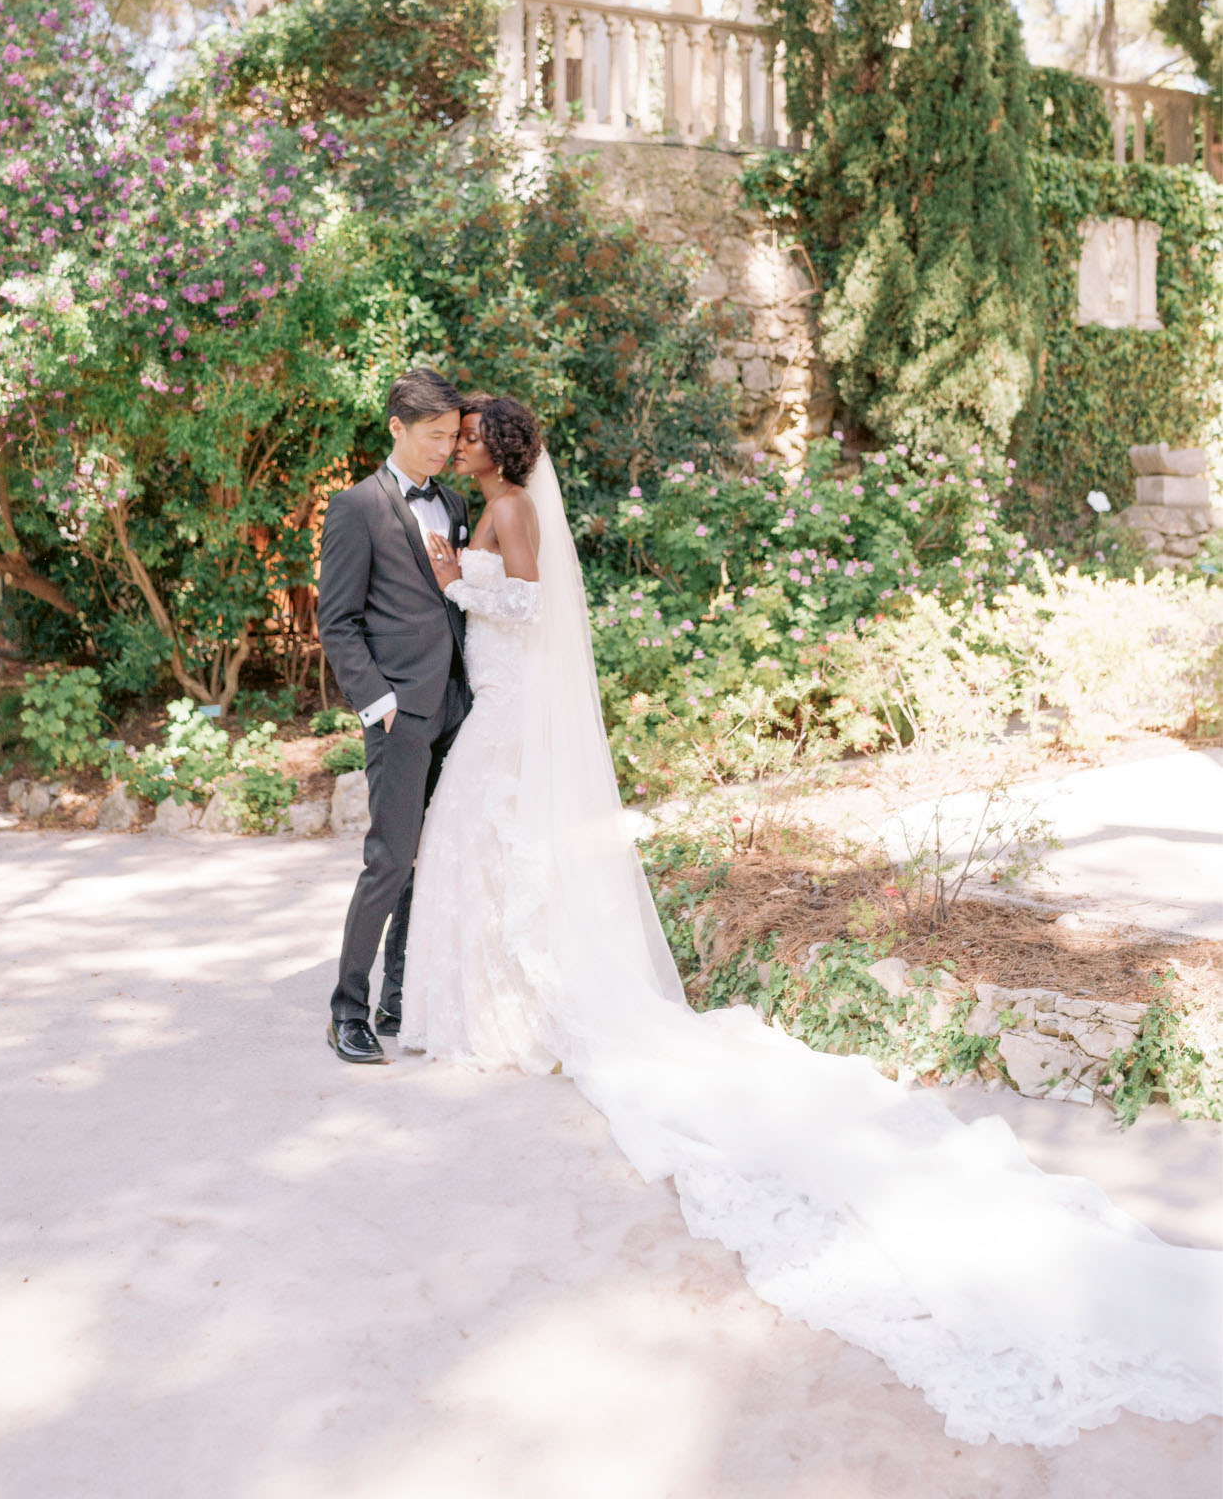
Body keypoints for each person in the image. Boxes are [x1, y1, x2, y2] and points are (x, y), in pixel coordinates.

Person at [397, 393, 1221, 1450]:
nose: (457, 443)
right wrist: (462, 577)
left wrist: (454, 578)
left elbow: (531, 604)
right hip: (501, 700)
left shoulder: (509, 509)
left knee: (490, 842)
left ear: (495, 447)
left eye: (467, 433)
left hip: (509, 709)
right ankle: (500, 999)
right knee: (488, 849)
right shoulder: (500, 504)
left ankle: (521, 1005)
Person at [316, 368, 471, 1065]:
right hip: (398, 714)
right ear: (396, 429)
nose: (444, 448)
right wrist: (377, 702)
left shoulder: (456, 502)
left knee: (432, 860)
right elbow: (337, 621)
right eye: (433, 436)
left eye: (451, 436)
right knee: (388, 860)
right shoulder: (355, 507)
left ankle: (399, 997)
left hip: (460, 709)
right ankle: (346, 1009)